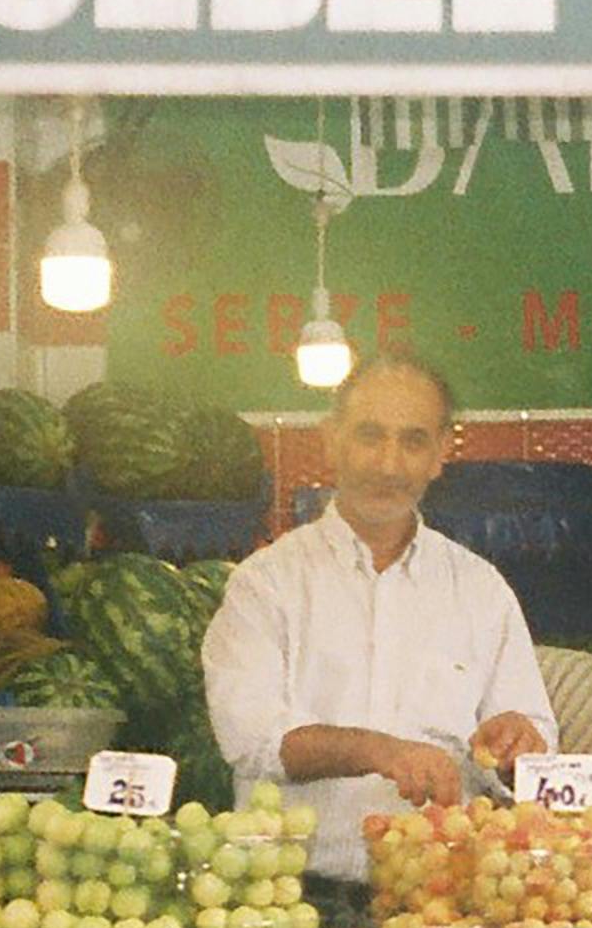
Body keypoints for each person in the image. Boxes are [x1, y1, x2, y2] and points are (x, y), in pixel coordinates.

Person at [201, 353, 555, 894]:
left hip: (444, 900)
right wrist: (381, 752)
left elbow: (535, 748)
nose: (389, 464)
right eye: (370, 435)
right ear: (331, 439)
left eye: (413, 441)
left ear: (440, 454)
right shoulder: (265, 583)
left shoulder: (481, 591)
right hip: (290, 894)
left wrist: (516, 747)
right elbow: (252, 738)